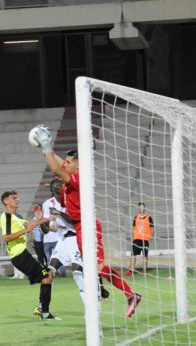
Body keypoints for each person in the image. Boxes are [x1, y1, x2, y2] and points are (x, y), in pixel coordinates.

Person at [33, 126, 142, 318]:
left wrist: (45, 148)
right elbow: (59, 163)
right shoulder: (74, 172)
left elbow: (57, 168)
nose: (65, 164)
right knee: (91, 268)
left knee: (96, 267)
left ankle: (131, 295)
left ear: (77, 165)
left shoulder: (77, 178)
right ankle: (104, 290)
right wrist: (47, 148)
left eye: (69, 162)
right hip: (80, 227)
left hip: (88, 227)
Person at [0, 189, 58, 320]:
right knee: (47, 277)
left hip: (22, 255)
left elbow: (31, 224)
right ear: (6, 201)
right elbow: (6, 238)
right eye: (14, 198)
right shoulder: (7, 217)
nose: (18, 199)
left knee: (47, 276)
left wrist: (46, 219)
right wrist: (25, 230)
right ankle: (44, 313)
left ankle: (43, 310)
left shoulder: (15, 217)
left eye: (18, 197)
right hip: (19, 256)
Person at [127, 202, 154, 277]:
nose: (141, 208)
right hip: (136, 239)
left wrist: (150, 238)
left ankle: (144, 270)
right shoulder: (136, 217)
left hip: (145, 239)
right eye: (139, 207)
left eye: (142, 207)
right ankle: (131, 270)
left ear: (144, 208)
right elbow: (134, 228)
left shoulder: (149, 217)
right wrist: (133, 237)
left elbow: (152, 229)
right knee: (133, 255)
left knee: (145, 255)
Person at [40, 182, 63, 269]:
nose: (58, 188)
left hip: (60, 238)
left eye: (60, 185)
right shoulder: (47, 203)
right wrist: (40, 221)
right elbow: (44, 230)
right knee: (50, 262)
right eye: (55, 187)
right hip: (48, 239)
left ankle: (62, 274)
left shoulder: (70, 198)